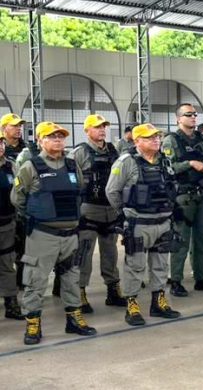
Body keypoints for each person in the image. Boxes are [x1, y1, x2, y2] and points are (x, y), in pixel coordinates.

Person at [12, 122, 95, 345]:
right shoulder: (31, 166)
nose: (58, 140)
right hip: (43, 235)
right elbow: (18, 199)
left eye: (60, 136)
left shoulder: (72, 165)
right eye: (51, 136)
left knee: (71, 278)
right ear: (40, 140)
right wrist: (38, 215)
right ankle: (33, 323)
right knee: (35, 280)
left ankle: (74, 319)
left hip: (70, 235)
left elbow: (79, 192)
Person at [105, 123, 181, 326]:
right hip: (139, 223)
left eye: (157, 137)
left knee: (161, 265)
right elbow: (112, 191)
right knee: (135, 266)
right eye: (150, 137)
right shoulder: (126, 162)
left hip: (163, 222)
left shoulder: (165, 160)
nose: (156, 140)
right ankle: (132, 304)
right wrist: (125, 213)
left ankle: (158, 302)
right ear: (137, 141)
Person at [67, 114, 125, 313]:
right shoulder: (79, 153)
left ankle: (113, 290)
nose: (102, 130)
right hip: (88, 210)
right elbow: (69, 181)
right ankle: (80, 293)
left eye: (103, 126)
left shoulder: (113, 151)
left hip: (110, 210)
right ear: (87, 130)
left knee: (110, 253)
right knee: (84, 254)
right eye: (97, 127)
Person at [162, 103, 203, 297]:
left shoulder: (202, 138)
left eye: (195, 114)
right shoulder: (171, 140)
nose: (193, 117)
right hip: (184, 196)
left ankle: (201, 277)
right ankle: (176, 280)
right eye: (189, 114)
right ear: (179, 119)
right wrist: (190, 163)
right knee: (181, 239)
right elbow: (168, 167)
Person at [0, 133, 23, 320]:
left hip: (7, 225)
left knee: (7, 264)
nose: (0, 146)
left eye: (1, 142)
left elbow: (19, 191)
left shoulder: (11, 166)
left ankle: (11, 303)